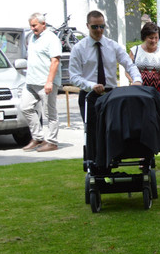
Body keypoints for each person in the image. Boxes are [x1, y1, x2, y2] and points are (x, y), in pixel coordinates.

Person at [69, 10, 142, 122]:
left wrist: (137, 80)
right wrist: (91, 85)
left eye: (102, 26)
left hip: (111, 95)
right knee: (92, 130)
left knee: (113, 129)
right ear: (87, 26)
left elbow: (130, 65)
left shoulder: (112, 46)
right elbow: (74, 76)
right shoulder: (79, 48)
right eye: (95, 27)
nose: (99, 30)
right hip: (89, 95)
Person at [20, 13, 62, 152]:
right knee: (25, 107)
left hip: (45, 82)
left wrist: (49, 82)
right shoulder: (32, 38)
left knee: (49, 113)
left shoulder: (51, 39)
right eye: (31, 26)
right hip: (31, 81)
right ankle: (38, 137)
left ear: (43, 24)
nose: (32, 28)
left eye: (34, 25)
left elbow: (55, 61)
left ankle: (52, 141)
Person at [131, 21, 160, 114]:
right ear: (145, 37)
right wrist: (134, 81)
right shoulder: (135, 50)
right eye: (151, 38)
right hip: (138, 91)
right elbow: (128, 70)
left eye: (156, 38)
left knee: (156, 118)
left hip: (157, 93)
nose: (154, 40)